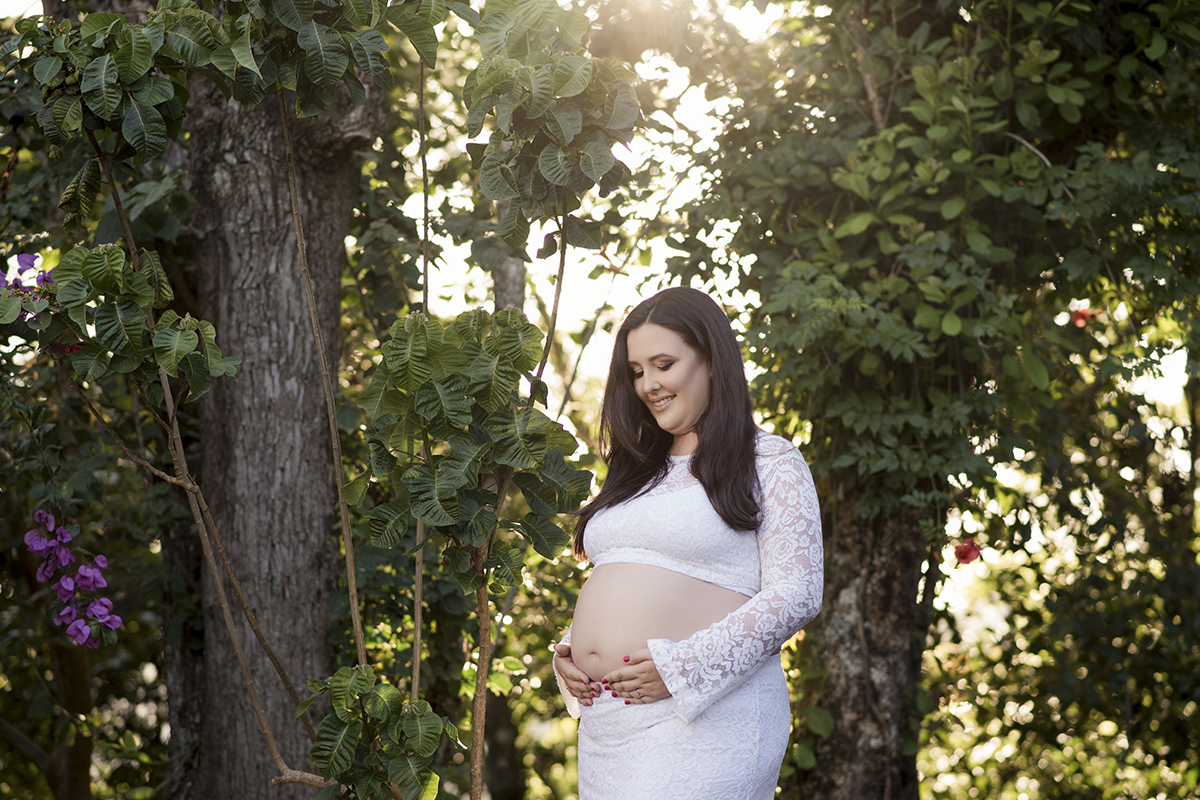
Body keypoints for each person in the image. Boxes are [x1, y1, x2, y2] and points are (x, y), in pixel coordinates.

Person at [551, 286, 824, 799]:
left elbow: (797, 594)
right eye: (636, 371)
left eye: (663, 364)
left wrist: (684, 667)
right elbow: (629, 572)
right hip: (610, 726)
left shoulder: (769, 461)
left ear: (712, 361)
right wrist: (573, 653)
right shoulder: (638, 472)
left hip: (706, 721)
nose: (648, 384)